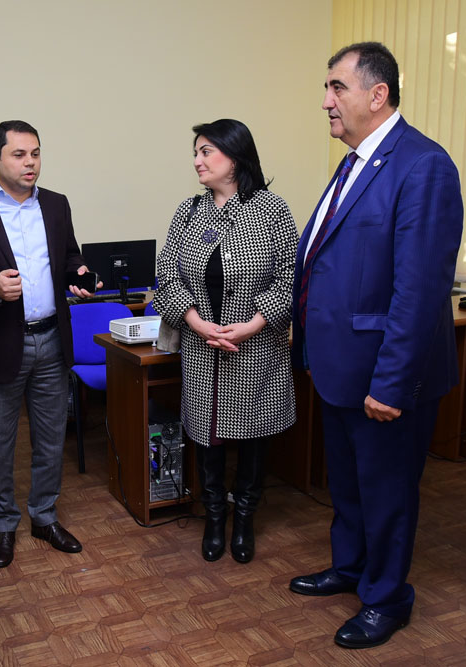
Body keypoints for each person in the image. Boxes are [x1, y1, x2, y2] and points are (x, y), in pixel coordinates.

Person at [288, 42, 463, 649]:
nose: (326, 101)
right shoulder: (353, 164)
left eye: (336, 87)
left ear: (377, 93)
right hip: (340, 366)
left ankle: (387, 598)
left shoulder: (423, 165)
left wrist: (391, 384)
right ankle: (352, 567)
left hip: (384, 376)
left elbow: (419, 291)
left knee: (387, 494)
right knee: (349, 486)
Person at [0, 120, 99, 568]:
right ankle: (4, 524)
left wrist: (79, 273)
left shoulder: (56, 204)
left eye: (35, 154)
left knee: (50, 440)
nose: (30, 163)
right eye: (19, 155)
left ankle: (44, 517)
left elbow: (69, 256)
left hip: (52, 339)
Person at [153, 119, 297, 565]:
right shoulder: (189, 212)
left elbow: (291, 279)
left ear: (234, 158)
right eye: (195, 153)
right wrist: (196, 322)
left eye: (206, 152)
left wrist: (253, 324)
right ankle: (215, 517)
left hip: (257, 351)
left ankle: (246, 517)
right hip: (202, 350)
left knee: (254, 439)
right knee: (207, 438)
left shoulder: (271, 211)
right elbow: (166, 276)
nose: (197, 161)